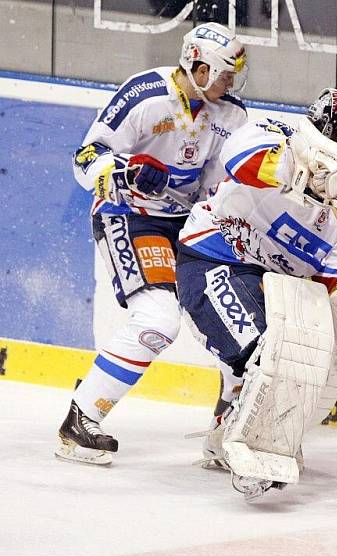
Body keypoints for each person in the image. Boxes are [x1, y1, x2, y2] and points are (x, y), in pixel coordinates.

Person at [175, 88, 337, 500]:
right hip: (214, 257)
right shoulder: (277, 134)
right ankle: (253, 448)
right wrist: (303, 171)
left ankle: (228, 435)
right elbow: (238, 157)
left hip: (277, 289)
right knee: (264, 350)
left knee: (312, 360)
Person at [55, 23, 249, 466]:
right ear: (197, 66)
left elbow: (221, 189)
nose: (230, 84)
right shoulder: (144, 95)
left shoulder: (231, 116)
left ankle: (229, 427)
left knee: (234, 314)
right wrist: (125, 171)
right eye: (223, 74)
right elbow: (85, 159)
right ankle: (81, 418)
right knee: (159, 320)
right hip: (130, 216)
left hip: (188, 224)